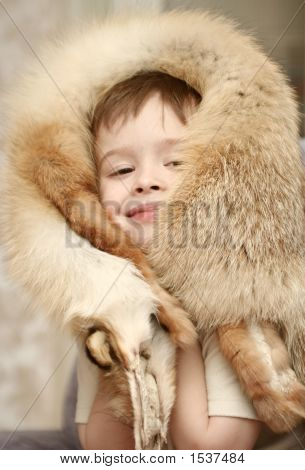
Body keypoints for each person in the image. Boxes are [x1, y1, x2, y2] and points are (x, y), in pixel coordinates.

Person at [75, 71, 261, 450]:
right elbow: (105, 448)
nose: (145, 180)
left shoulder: (243, 296)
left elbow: (209, 453)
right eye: (122, 170)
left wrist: (178, 322)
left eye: (175, 162)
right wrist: (124, 326)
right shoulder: (105, 295)